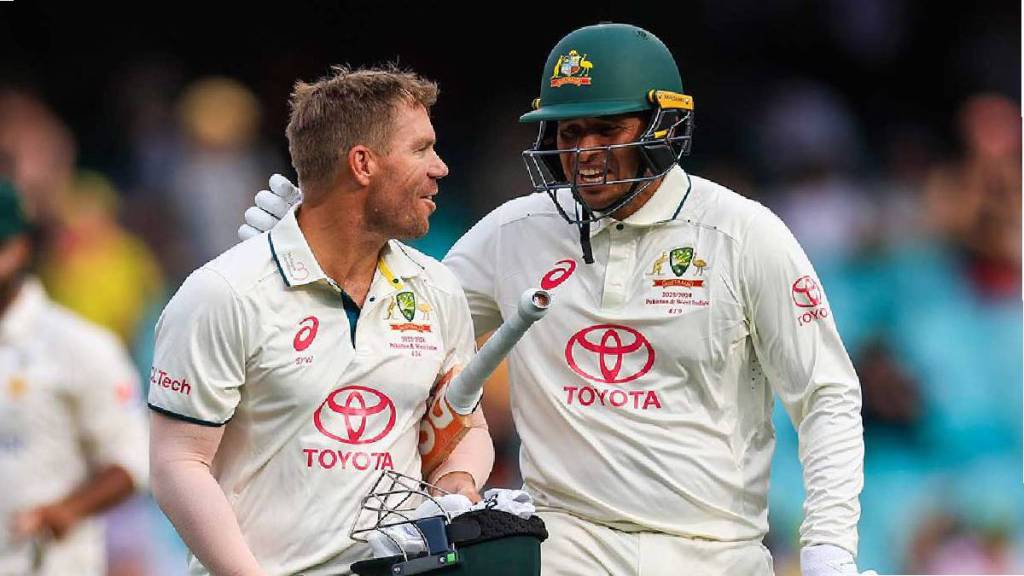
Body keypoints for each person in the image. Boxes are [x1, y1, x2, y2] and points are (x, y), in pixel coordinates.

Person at [240, 24, 872, 576]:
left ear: (663, 126)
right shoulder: (516, 231)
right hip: (564, 547)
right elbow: (392, 326)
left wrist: (827, 554)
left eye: (607, 129)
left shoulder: (744, 235)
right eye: (570, 132)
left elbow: (826, 397)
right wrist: (310, 249)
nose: (584, 155)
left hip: (715, 550)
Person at [150, 65, 494, 576]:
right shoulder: (223, 292)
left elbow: (465, 423)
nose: (440, 167)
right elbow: (176, 464)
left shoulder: (436, 287)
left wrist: (459, 479)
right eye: (421, 149)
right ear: (363, 164)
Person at [0, 179, 148, 575]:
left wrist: (66, 510)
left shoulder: (79, 346)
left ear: (18, 249)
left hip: (46, 563)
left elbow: (132, 459)